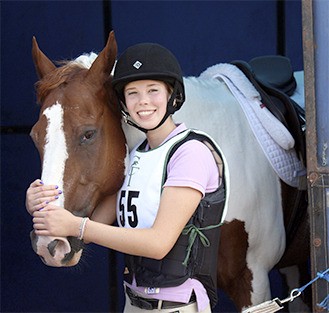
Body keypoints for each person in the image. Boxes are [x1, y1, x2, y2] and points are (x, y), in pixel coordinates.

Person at [26, 42, 226, 313]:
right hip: (133, 302)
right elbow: (88, 228)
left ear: (171, 95)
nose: (143, 102)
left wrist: (77, 227)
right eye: (132, 93)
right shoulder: (136, 157)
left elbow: (158, 244)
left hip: (176, 306)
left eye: (153, 90)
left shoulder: (190, 153)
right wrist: (43, 210)